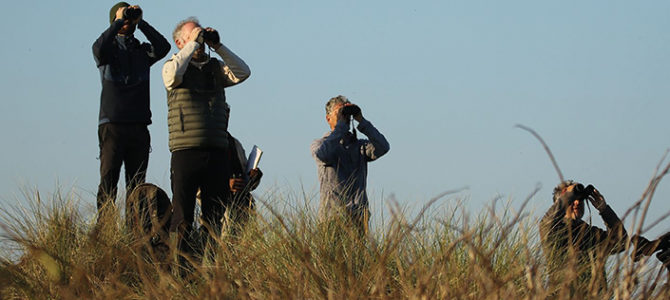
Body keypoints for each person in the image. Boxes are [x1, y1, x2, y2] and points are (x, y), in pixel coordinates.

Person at [162, 17, 250, 258]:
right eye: (192, 37)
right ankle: (178, 268)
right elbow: (170, 79)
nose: (199, 42)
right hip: (185, 152)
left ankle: (210, 268)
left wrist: (218, 46)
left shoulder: (216, 68)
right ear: (180, 42)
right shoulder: (173, 67)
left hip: (217, 152)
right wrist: (193, 43)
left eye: (201, 38)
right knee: (182, 217)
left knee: (214, 217)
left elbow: (243, 72)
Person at [92, 2, 170, 215]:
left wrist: (141, 22)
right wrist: (117, 22)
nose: (127, 21)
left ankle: (136, 233)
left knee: (137, 185)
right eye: (123, 18)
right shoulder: (108, 51)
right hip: (112, 124)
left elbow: (163, 47)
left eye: (129, 18)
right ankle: (105, 229)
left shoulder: (141, 52)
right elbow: (98, 48)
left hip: (138, 125)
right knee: (108, 180)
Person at [311, 96, 390, 234]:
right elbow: (323, 155)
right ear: (328, 118)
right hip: (332, 219)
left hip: (358, 218)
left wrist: (361, 120)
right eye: (339, 112)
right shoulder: (320, 144)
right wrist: (340, 127)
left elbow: (383, 147)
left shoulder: (359, 146)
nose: (344, 116)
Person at [539, 180, 628, 296]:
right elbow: (547, 223)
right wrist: (569, 195)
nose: (576, 202)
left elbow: (621, 243)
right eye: (572, 200)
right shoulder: (553, 231)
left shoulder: (589, 232)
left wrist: (604, 210)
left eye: (580, 199)